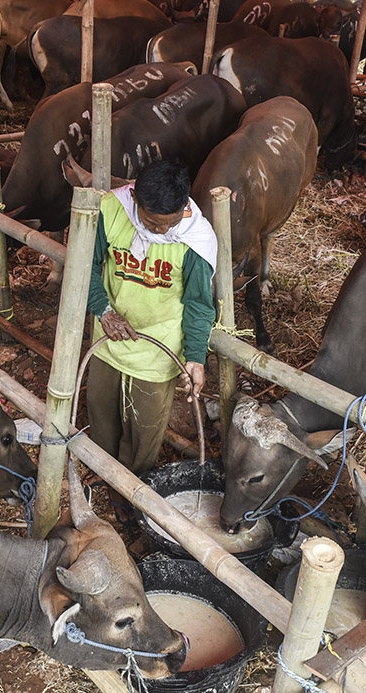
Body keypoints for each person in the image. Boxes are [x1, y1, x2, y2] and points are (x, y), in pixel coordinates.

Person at [85, 159, 217, 535]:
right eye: (152, 222)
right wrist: (103, 310)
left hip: (158, 348)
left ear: (184, 208)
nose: (162, 231)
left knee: (145, 431)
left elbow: (198, 304)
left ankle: (130, 490)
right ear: (134, 199)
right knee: (101, 411)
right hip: (109, 337)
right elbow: (88, 264)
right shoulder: (111, 209)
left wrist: (195, 358)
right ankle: (104, 473)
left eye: (169, 222)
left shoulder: (195, 239)